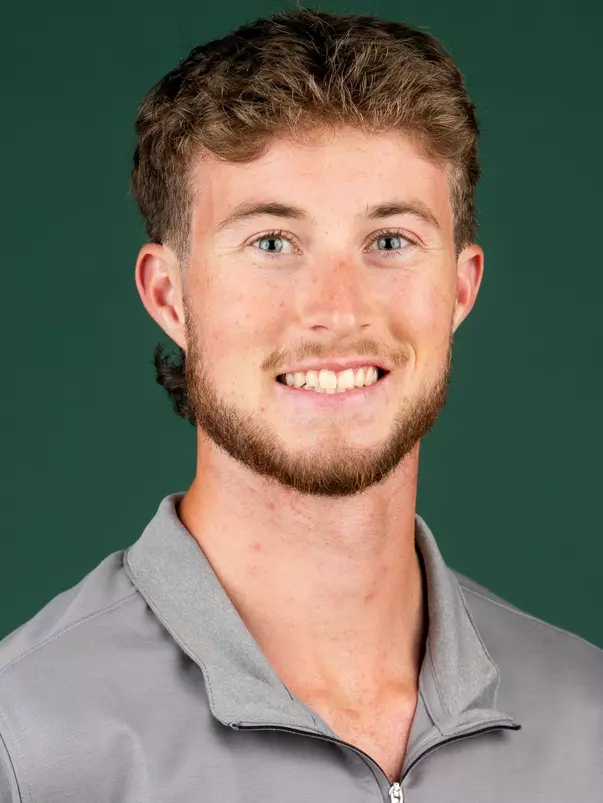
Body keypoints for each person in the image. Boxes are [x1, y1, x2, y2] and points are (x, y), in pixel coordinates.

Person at [1, 7, 601, 802]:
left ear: (458, 288)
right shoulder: (25, 738)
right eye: (271, 243)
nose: (337, 309)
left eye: (389, 240)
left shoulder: (588, 719)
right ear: (168, 294)